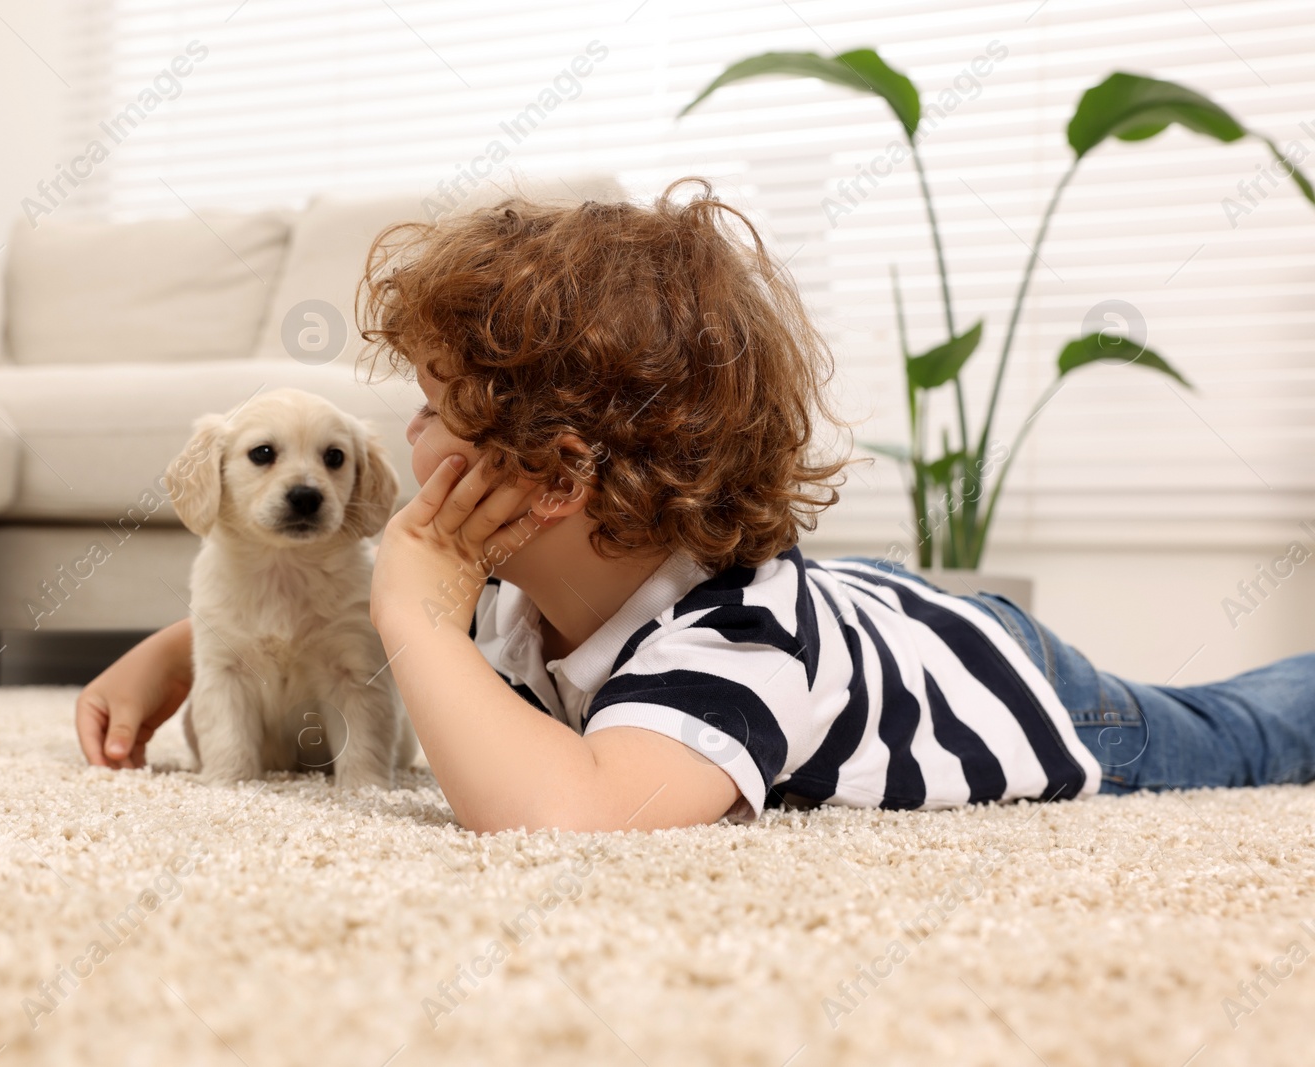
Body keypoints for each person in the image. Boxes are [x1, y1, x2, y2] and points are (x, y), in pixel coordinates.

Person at [75, 178, 1315, 833]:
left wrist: (411, 624)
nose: (404, 435)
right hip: (877, 608)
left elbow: (573, 810)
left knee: (1246, 728)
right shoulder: (528, 571)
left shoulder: (730, 653)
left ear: (551, 480)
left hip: (1030, 694)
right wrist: (176, 656)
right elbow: (315, 600)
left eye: (435, 408)